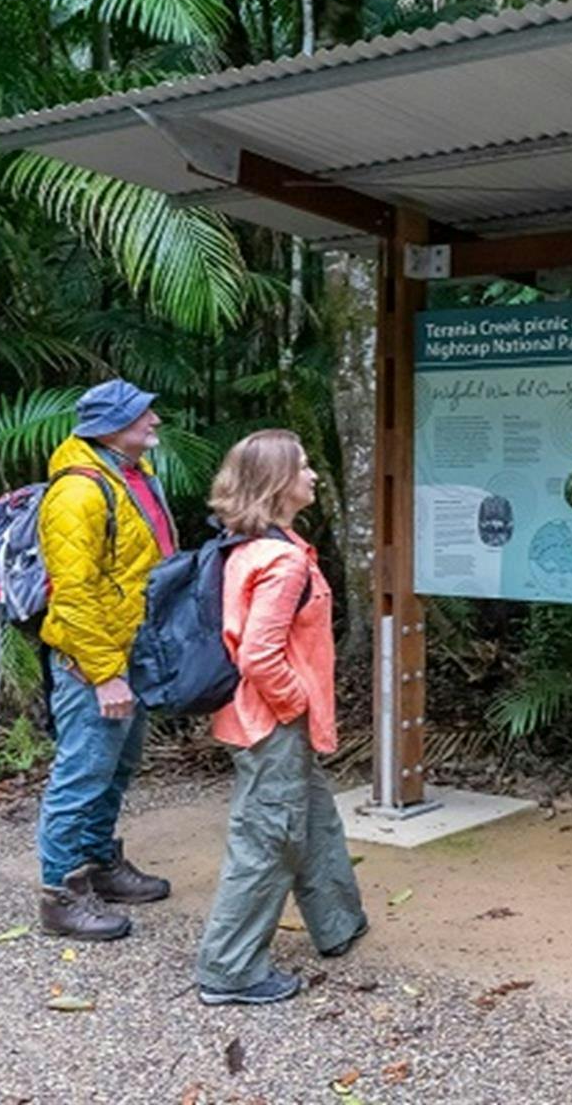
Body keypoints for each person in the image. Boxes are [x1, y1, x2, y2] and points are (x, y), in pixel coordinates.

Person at [195, 430, 368, 1005]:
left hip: (264, 719)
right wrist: (296, 705)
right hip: (271, 722)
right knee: (267, 839)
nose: (314, 476)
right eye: (303, 467)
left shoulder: (257, 545)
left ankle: (339, 922)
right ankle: (230, 969)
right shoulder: (281, 560)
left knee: (313, 820)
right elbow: (259, 653)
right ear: (277, 483)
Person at [34, 378, 179, 941]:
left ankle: (99, 865)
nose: (155, 423)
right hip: (94, 661)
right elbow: (73, 594)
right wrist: (104, 673)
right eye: (145, 415)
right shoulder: (78, 493)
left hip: (130, 648)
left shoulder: (130, 478)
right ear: (113, 427)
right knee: (82, 771)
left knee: (114, 768)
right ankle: (59, 894)